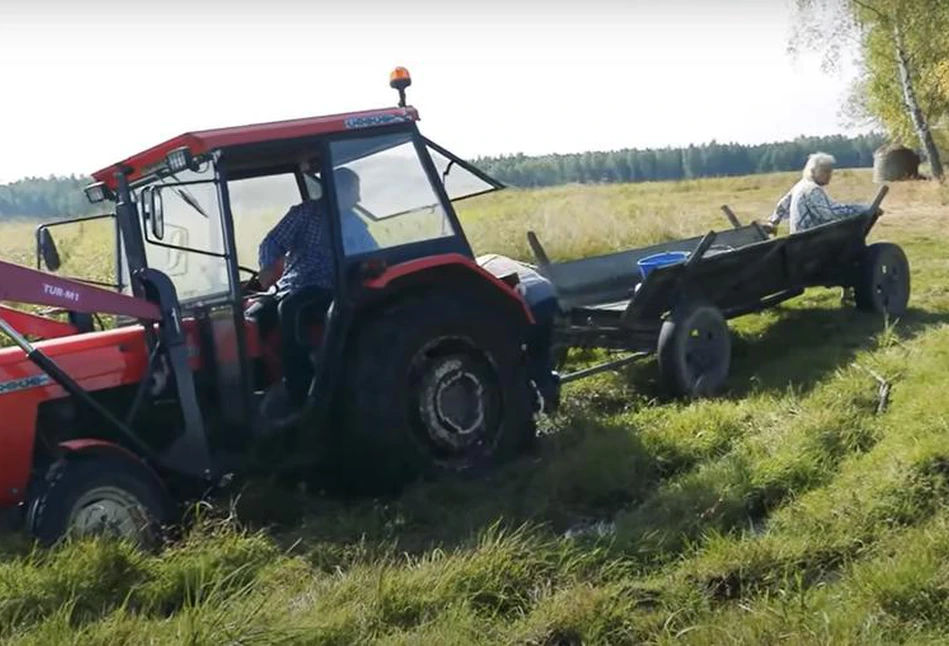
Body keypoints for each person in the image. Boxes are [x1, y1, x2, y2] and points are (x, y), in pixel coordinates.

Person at [247, 166, 373, 409]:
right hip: (290, 285)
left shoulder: (354, 224)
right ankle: (259, 386)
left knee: (292, 310)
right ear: (338, 191)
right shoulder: (304, 214)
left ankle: (301, 391)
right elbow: (272, 242)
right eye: (354, 192)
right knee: (252, 317)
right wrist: (268, 266)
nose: (358, 199)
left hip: (327, 288)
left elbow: (373, 253)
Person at [762, 152, 882, 235]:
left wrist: (773, 222)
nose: (829, 175)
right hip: (811, 243)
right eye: (825, 171)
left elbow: (783, 205)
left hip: (799, 240)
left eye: (830, 171)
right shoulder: (812, 190)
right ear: (813, 171)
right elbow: (831, 213)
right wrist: (866, 209)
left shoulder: (801, 185)